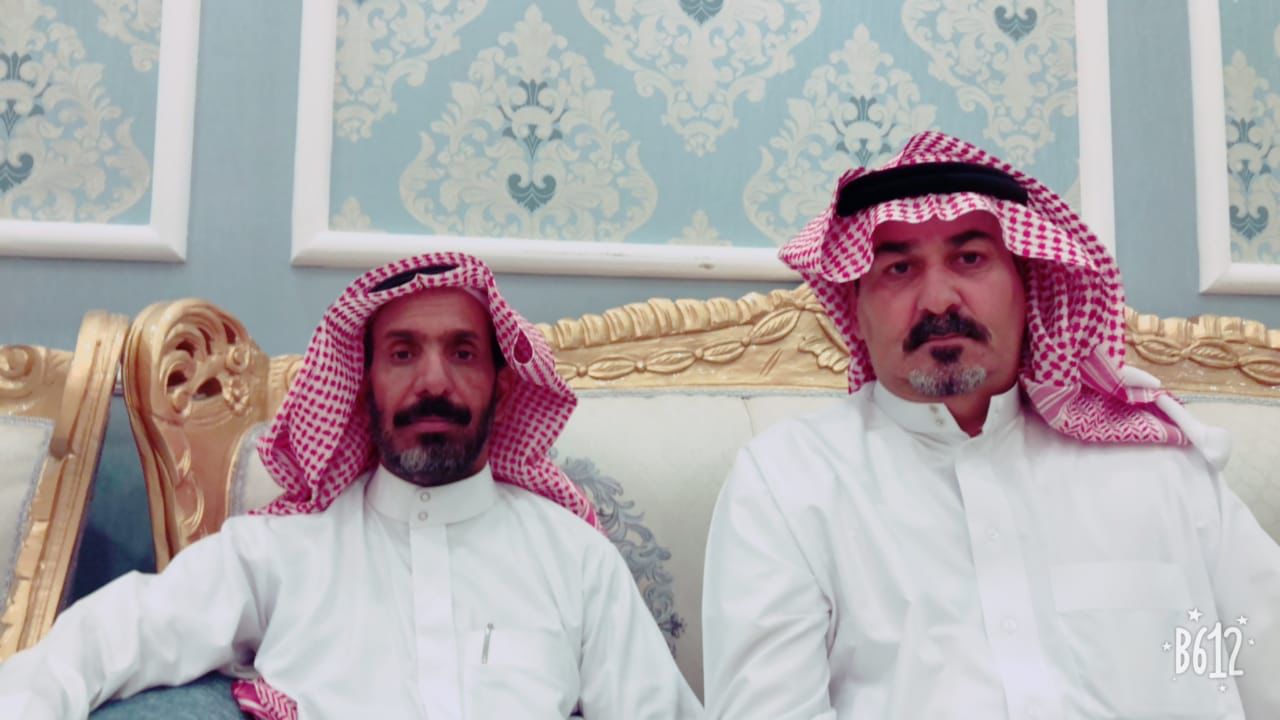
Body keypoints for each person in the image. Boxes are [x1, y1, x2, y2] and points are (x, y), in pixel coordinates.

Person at [701, 131, 1280, 719]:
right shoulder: (788, 486)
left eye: (970, 259)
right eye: (899, 268)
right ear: (857, 308)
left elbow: (1260, 670)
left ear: (1028, 285)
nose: (937, 300)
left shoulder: (1158, 470)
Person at [0, 253, 700, 719]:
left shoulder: (574, 559)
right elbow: (110, 636)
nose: (433, 382)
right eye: (403, 353)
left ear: (502, 384)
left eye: (463, 353)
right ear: (361, 385)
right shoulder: (282, 552)